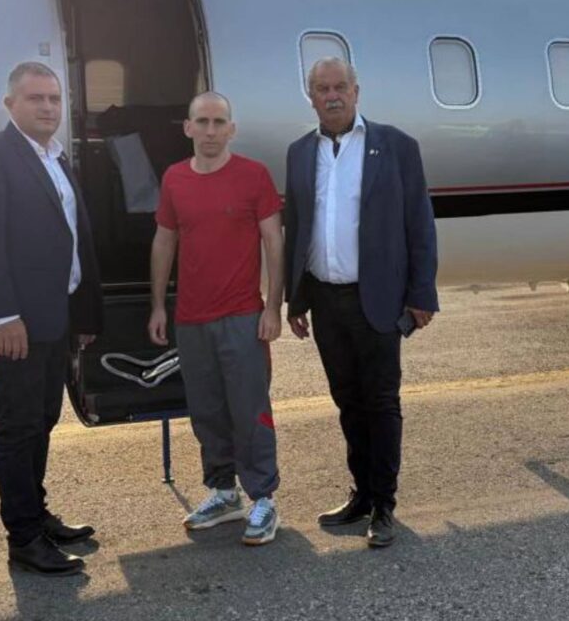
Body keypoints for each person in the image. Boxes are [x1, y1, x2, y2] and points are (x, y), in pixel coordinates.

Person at [283, 57, 438, 548]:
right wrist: (295, 299)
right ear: (311, 96)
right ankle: (362, 494)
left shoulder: (396, 146)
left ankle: (384, 505)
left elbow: (420, 224)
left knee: (381, 402)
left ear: (356, 91)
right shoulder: (299, 152)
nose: (332, 96)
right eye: (322, 88)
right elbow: (296, 229)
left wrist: (421, 293)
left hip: (377, 299)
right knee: (347, 401)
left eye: (340, 87)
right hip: (324, 300)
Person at [0, 61, 104, 575]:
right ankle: (23, 537)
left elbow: (74, 238)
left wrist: (82, 313)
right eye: (35, 98)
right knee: (18, 426)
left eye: (54, 99)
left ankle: (37, 515)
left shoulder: (56, 158)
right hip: (17, 323)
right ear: (10, 104)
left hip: (55, 317)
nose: (47, 107)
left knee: (43, 419)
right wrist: (5, 314)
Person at [148, 91, 285, 546]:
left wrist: (272, 307)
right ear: (188, 127)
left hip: (242, 316)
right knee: (206, 411)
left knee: (249, 409)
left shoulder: (253, 176)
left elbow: (274, 242)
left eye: (219, 122)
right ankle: (224, 492)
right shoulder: (174, 179)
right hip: (191, 319)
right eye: (202, 122)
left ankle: (263, 496)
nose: (210, 131)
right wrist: (158, 305)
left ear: (232, 129)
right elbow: (164, 241)